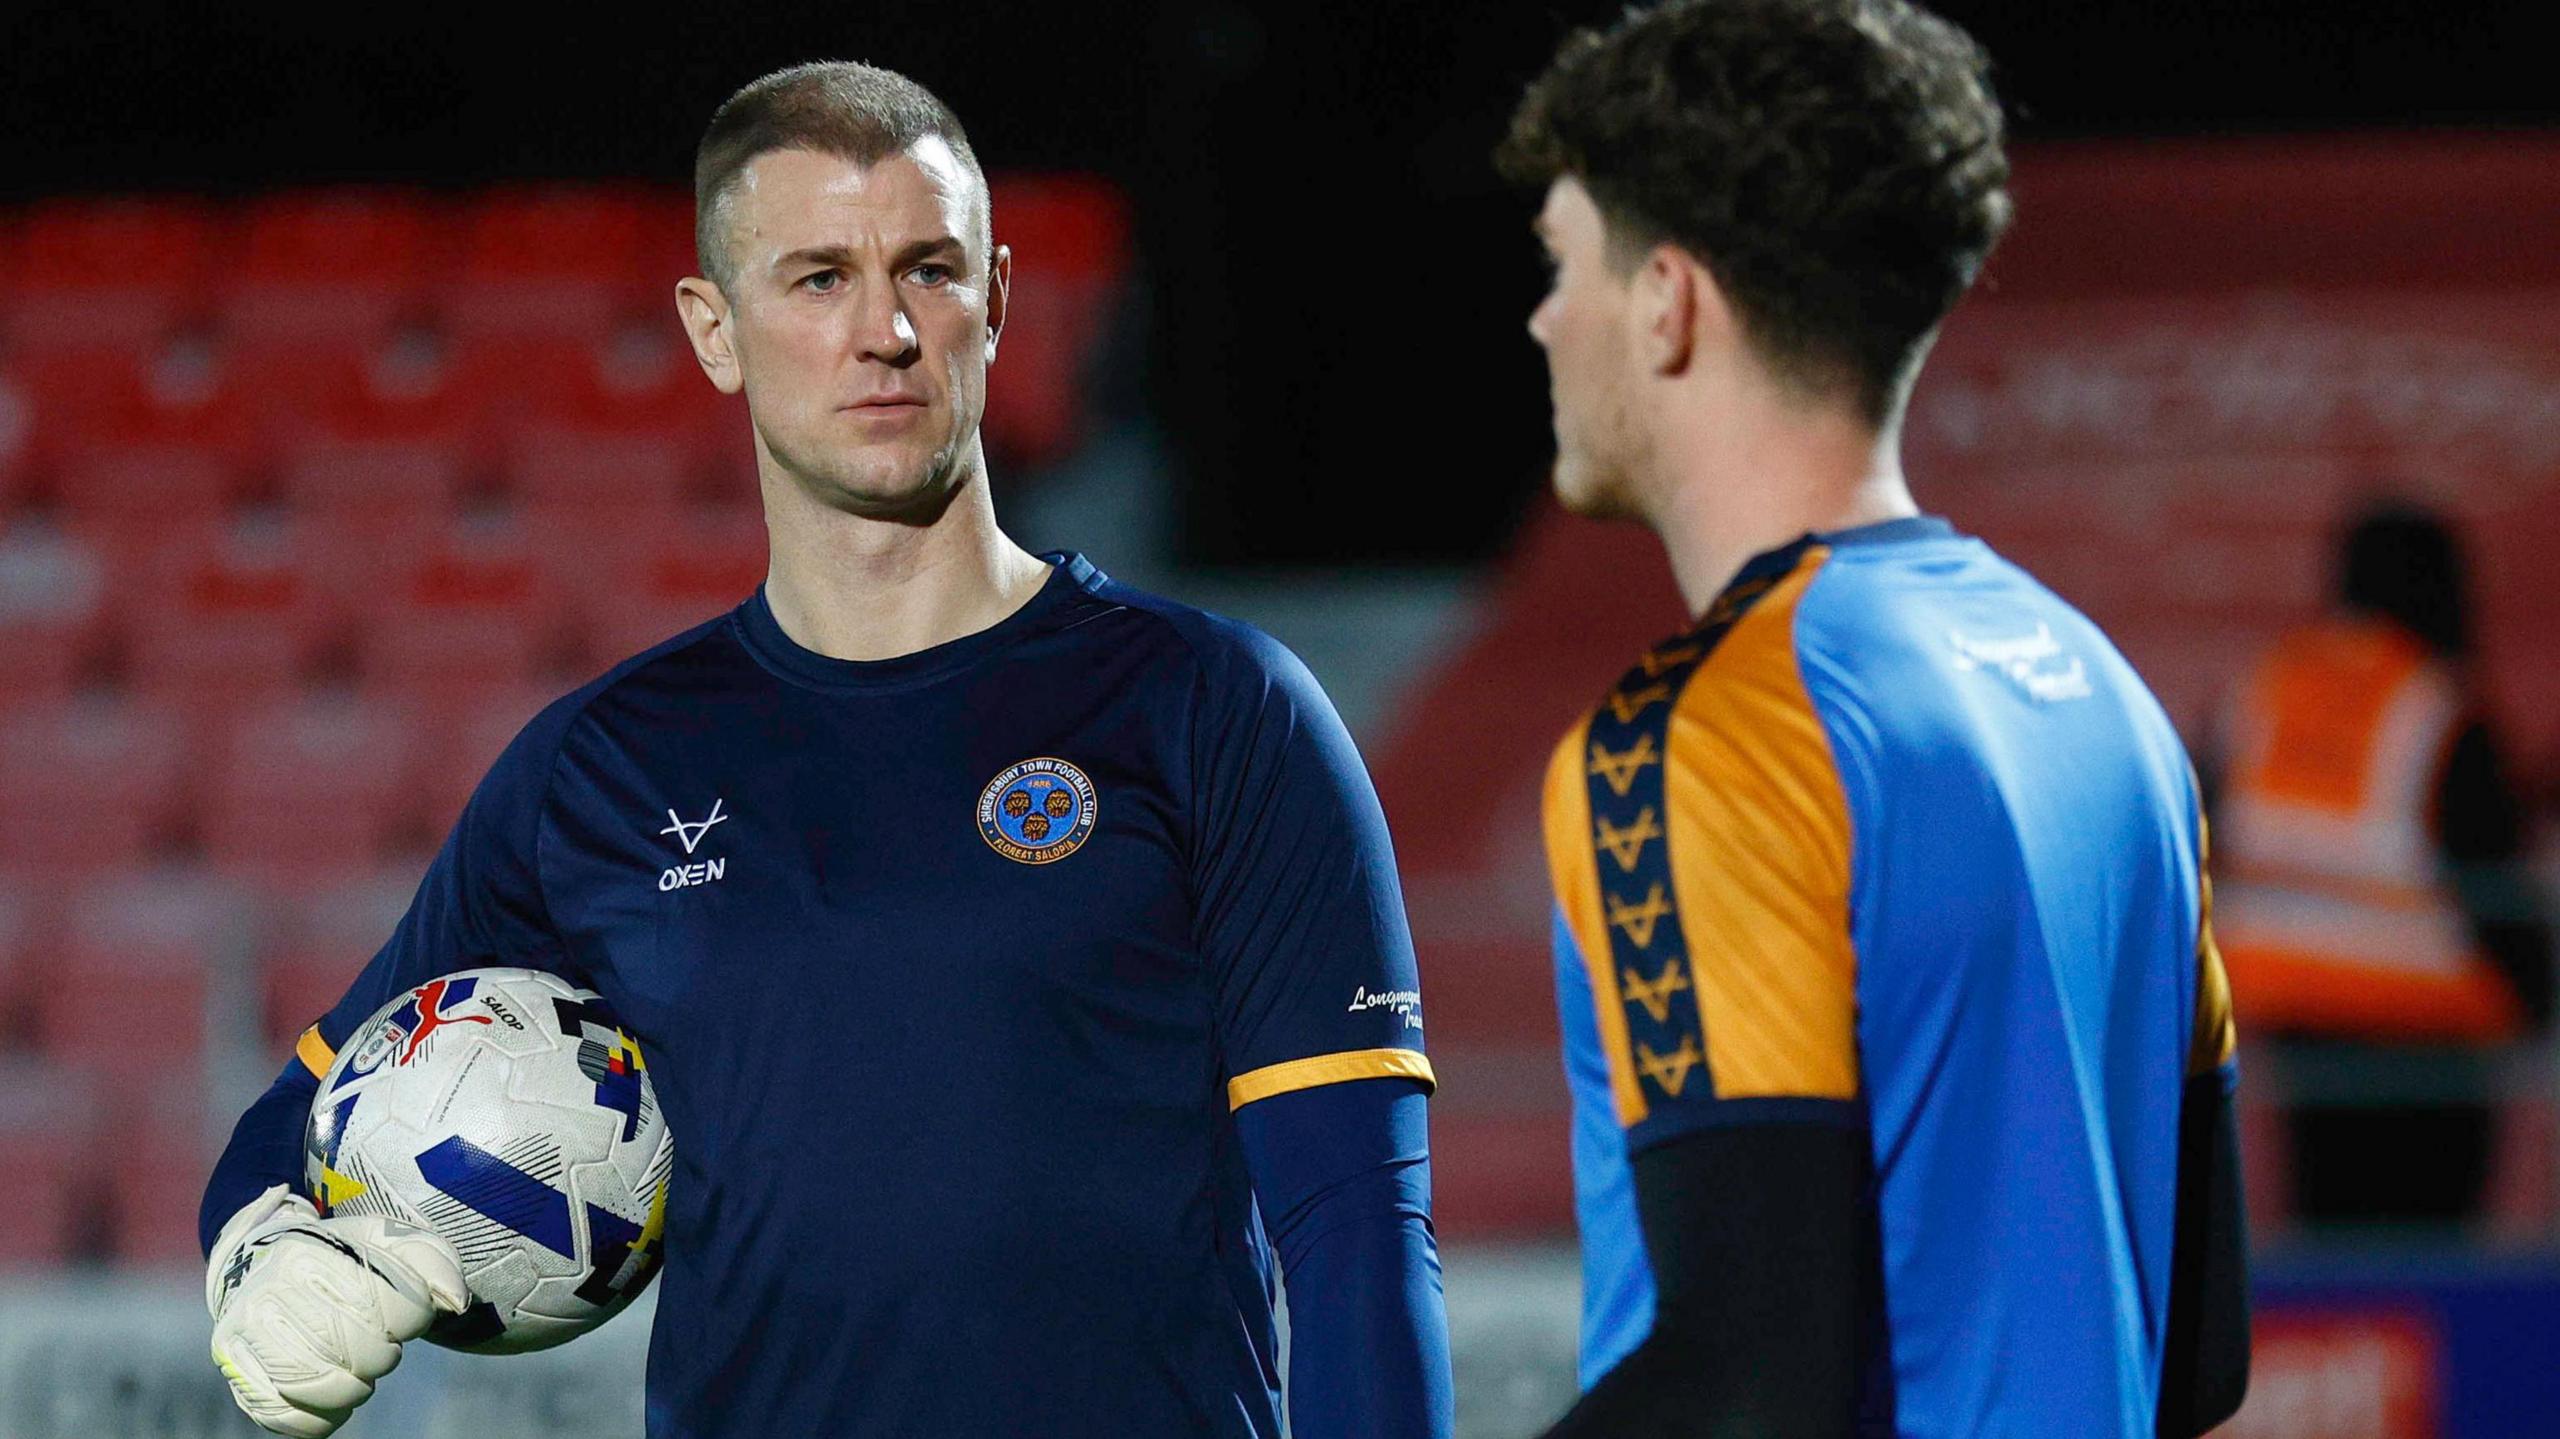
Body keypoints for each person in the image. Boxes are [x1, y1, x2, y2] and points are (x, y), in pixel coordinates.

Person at [198, 61, 1453, 1439]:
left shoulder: (1217, 708)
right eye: (816, 279)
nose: (886, 332)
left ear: (1000, 299)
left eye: (928, 269)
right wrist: (261, 1246)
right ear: (714, 328)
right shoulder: (600, 770)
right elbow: (298, 1111)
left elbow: (1355, 1233)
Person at [1498, 2, 2250, 1433]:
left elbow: (1749, 1385)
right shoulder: (2105, 696)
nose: (1541, 317)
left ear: (1669, 301)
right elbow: (2198, 1350)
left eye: (1560, 261)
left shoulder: (1707, 734)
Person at [2213, 501, 2555, 1226]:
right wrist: (2538, 999)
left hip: (2300, 1022)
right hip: (2429, 1039)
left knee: (2340, 1247)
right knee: (2433, 1269)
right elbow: (2487, 866)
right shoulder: (2434, 700)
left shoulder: (2266, 688)